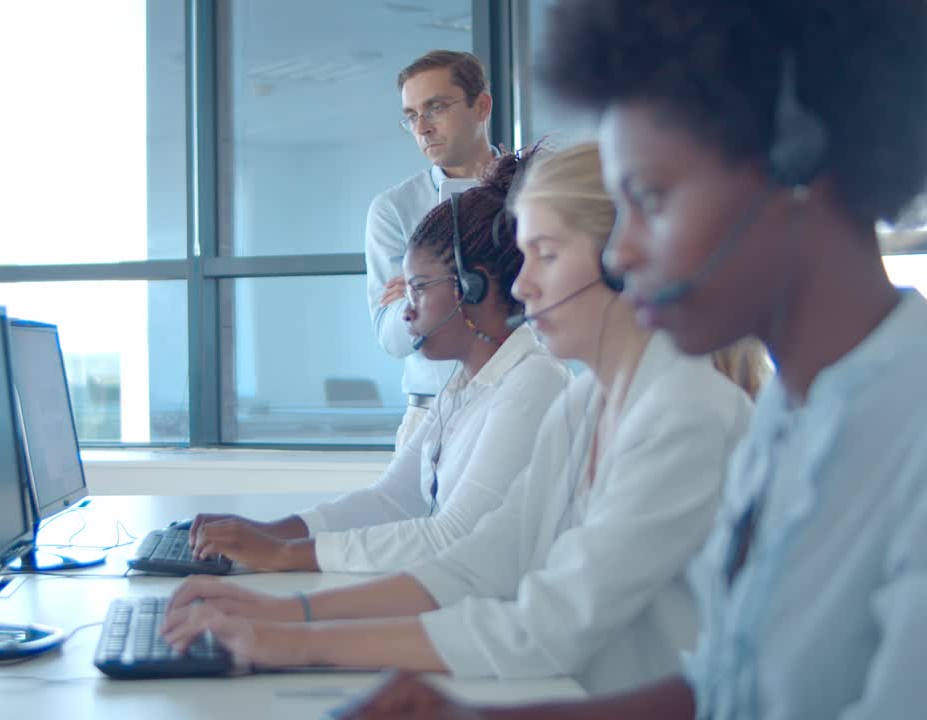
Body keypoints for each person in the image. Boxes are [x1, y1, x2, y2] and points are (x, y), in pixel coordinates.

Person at [331, 0, 927, 718]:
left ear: (798, 166)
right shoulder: (791, 414)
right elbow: (731, 689)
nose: (622, 254)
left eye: (652, 200)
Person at [161, 144, 755, 695]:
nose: (522, 285)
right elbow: (482, 559)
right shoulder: (586, 403)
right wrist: (284, 614)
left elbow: (544, 627)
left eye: (546, 255)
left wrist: (295, 641)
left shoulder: (684, 415)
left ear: (624, 262)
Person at [187, 152, 570, 573]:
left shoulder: (534, 383)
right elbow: (392, 499)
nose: (406, 311)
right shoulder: (464, 386)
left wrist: (282, 556)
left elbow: (455, 535)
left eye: (419, 289)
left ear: (471, 287)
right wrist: (268, 532)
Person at [367, 50, 499, 450]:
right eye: (411, 116)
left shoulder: (533, 191)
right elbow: (395, 339)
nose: (422, 128)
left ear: (482, 106)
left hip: (526, 401)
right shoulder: (392, 209)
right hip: (431, 418)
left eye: (436, 108)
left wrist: (420, 288)